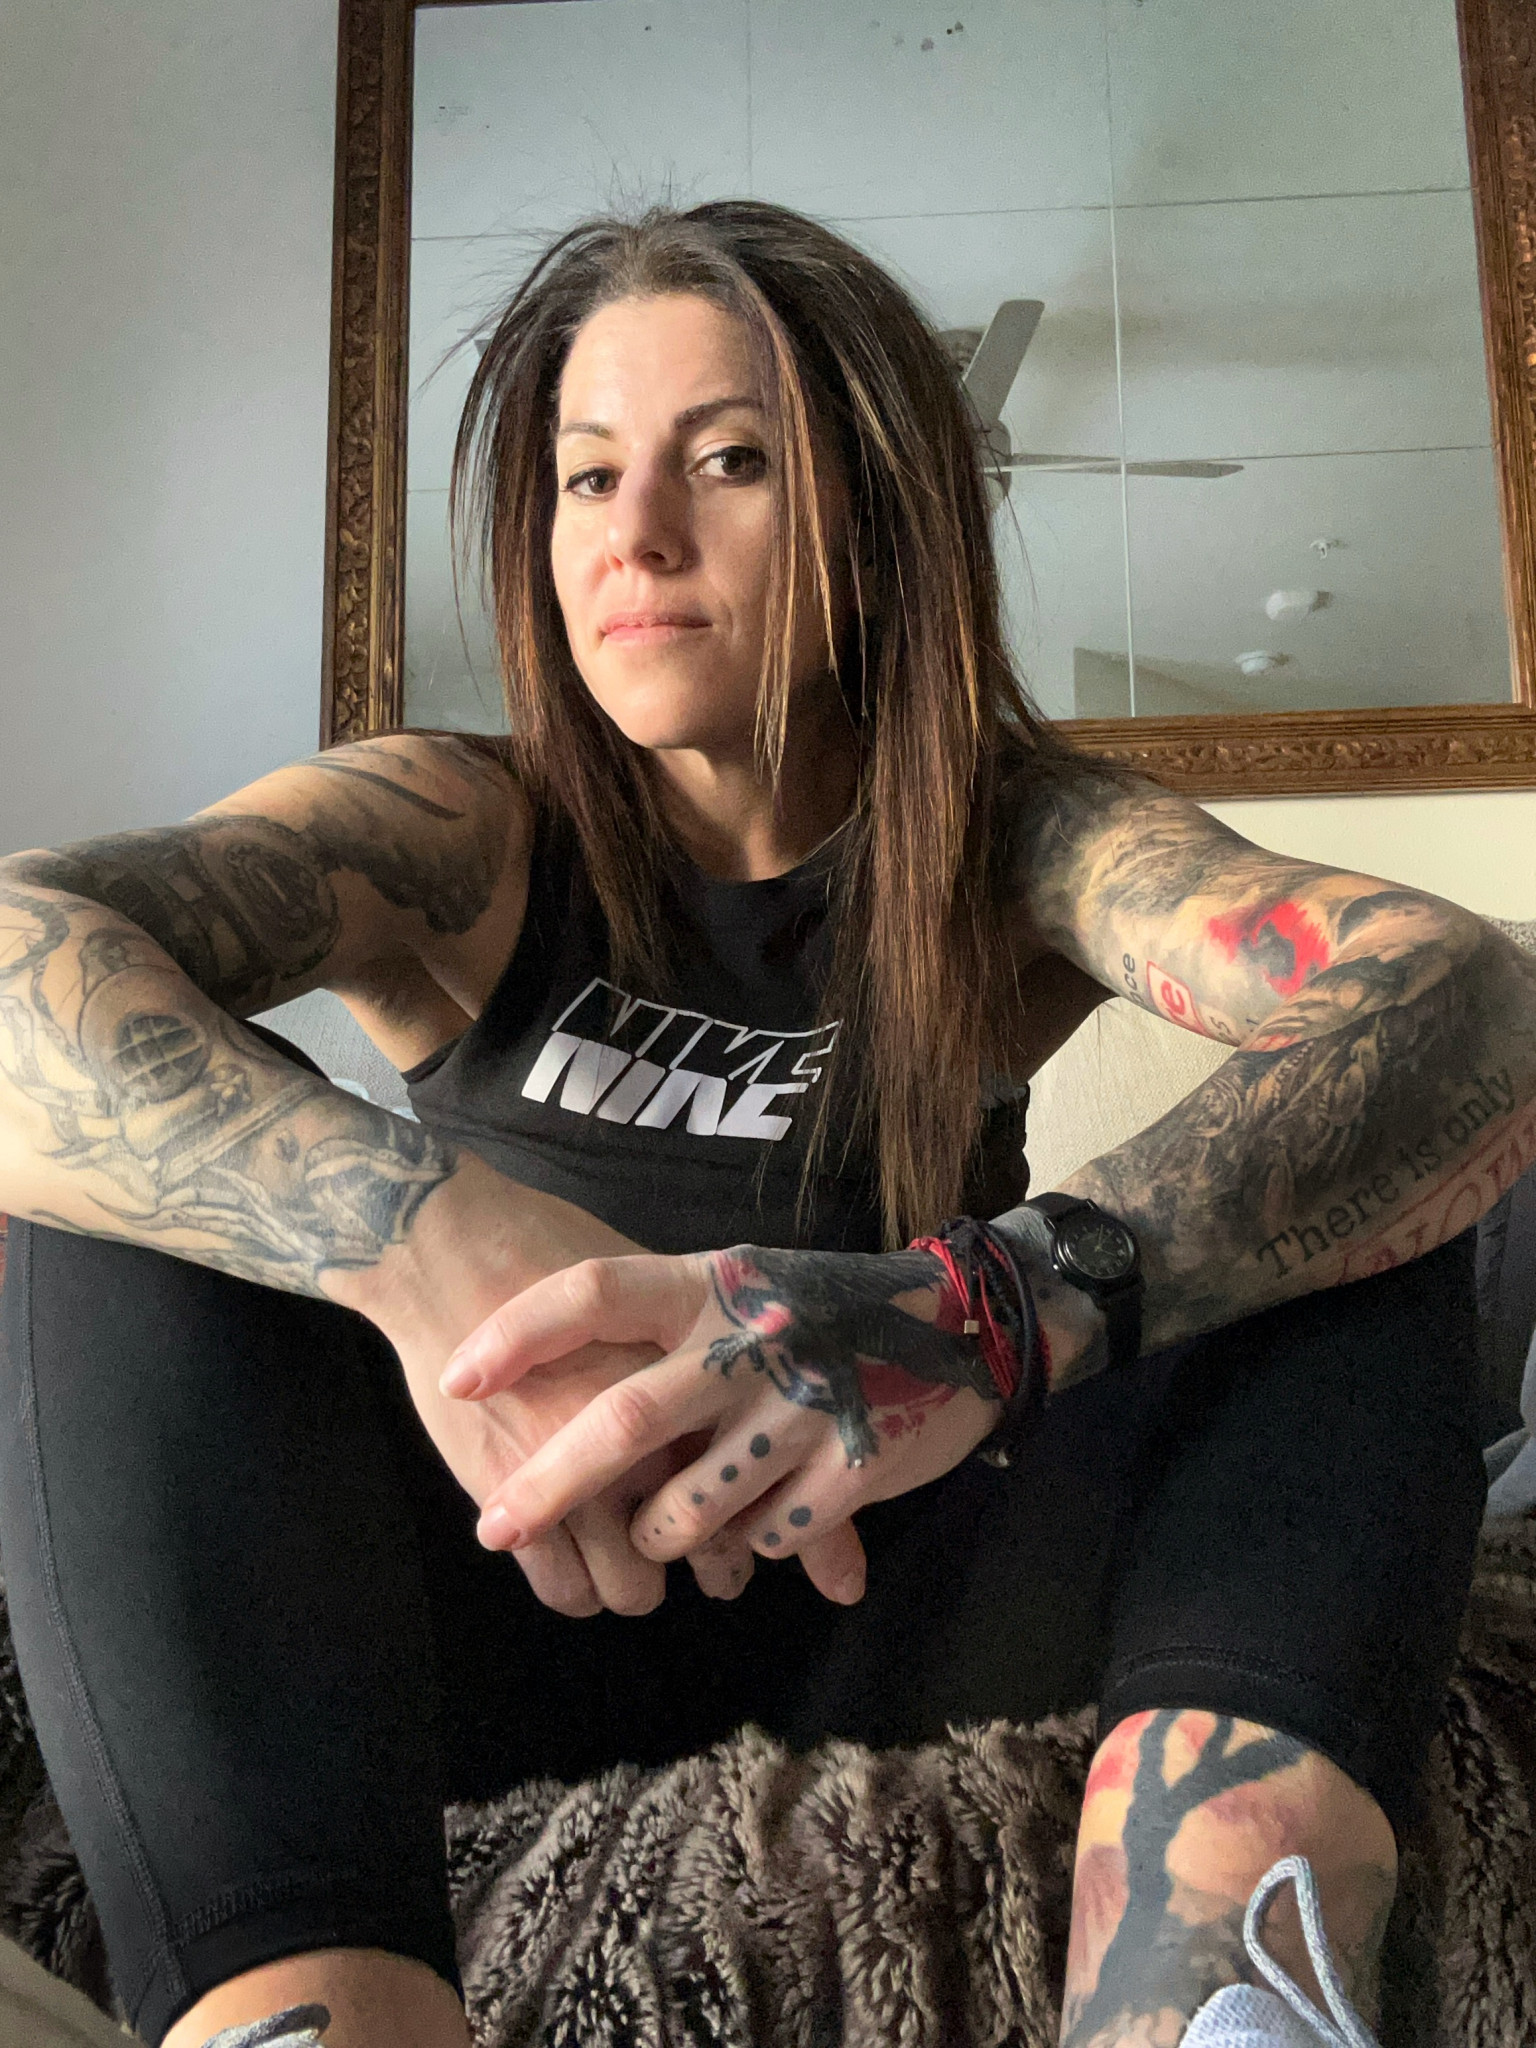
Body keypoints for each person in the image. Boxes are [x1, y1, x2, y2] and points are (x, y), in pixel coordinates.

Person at [0, 199, 1530, 2048]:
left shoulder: (1011, 841)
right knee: (106, 1195)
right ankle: (314, 2014)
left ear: (875, 525)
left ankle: (1220, 1987)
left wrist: (969, 1310)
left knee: (1357, 1194)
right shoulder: (462, 830)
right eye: (586, 476)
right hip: (504, 1588)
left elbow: (1461, 998)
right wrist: (419, 1238)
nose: (633, 533)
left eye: (728, 460)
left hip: (898, 1589)